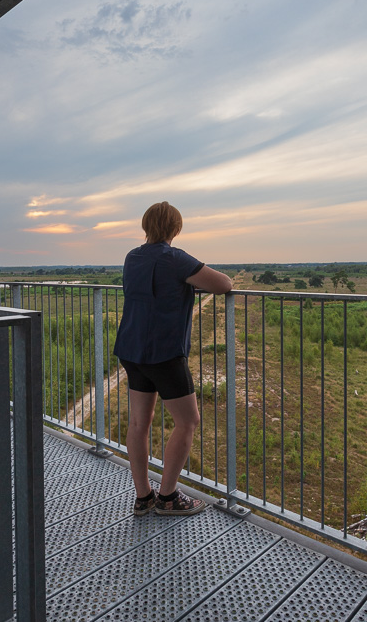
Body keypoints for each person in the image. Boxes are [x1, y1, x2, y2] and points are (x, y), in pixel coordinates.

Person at [113, 202, 233, 516]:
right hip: (164, 352)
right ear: (175, 228)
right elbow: (223, 285)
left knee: (139, 423)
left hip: (132, 349)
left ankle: (143, 497)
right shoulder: (174, 258)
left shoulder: (132, 256)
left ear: (146, 226)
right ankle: (167, 498)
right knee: (188, 421)